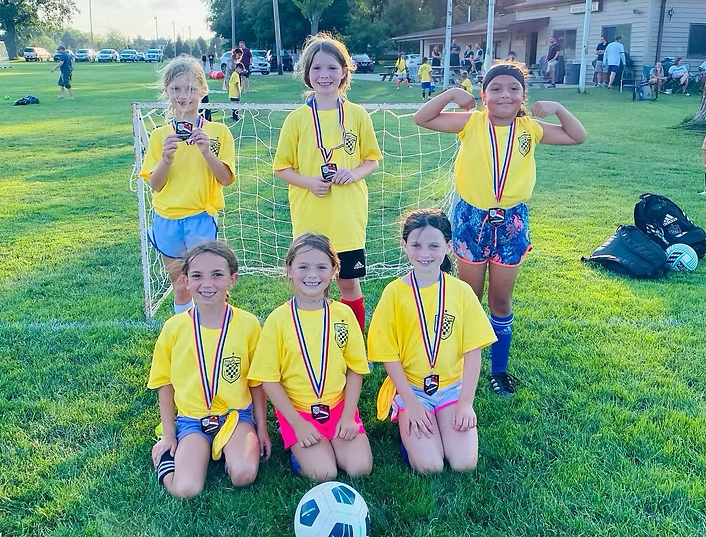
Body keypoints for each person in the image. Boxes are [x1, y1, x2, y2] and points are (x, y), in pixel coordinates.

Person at [413, 61, 587, 398]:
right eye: (495, 88)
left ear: (524, 96)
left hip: (511, 222)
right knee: (469, 298)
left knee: (501, 300)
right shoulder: (472, 123)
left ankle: (499, 370)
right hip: (471, 220)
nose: (504, 94)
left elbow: (577, 136)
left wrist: (558, 108)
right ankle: (462, 366)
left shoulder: (530, 128)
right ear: (483, 95)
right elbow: (423, 118)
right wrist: (451, 93)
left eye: (513, 88)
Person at [367, 210, 496, 474]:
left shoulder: (461, 292)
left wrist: (465, 404)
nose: (424, 252)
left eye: (433, 245)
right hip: (412, 389)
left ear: (448, 247)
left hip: (451, 389)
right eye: (416, 245)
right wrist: (411, 404)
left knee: (464, 464)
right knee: (430, 467)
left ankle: (437, 423)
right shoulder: (394, 293)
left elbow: (473, 353)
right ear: (404, 246)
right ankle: (407, 424)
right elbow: (388, 356)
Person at [273, 34, 382, 332]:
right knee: (313, 285)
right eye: (317, 68)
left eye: (332, 68)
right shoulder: (296, 119)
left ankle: (353, 347)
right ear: (307, 73)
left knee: (348, 283)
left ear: (345, 71)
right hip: (310, 217)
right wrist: (308, 182)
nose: (325, 75)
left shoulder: (358, 115)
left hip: (347, 217)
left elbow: (371, 159)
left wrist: (354, 173)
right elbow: (281, 167)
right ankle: (315, 341)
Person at [148, 241, 270, 497]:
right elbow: (164, 383)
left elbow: (256, 383)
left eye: (217, 275)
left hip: (236, 416)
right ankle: (173, 460)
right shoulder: (174, 328)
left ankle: (230, 452)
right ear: (185, 281)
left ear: (232, 279)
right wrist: (169, 435)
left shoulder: (248, 325)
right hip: (192, 419)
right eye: (197, 276)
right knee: (187, 489)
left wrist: (261, 429)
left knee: (244, 475)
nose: (207, 284)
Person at [249, 233, 372, 481]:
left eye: (321, 267)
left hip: (338, 408)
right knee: (324, 473)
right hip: (299, 412)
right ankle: (301, 452)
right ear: (289, 270)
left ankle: (329, 444)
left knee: (360, 468)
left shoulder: (343, 315)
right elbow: (268, 380)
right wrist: (297, 423)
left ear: (334, 271)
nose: (312, 275)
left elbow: (355, 369)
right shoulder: (278, 320)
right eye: (303, 267)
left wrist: (348, 416)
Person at [140, 57, 235, 313]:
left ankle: (216, 329)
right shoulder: (160, 136)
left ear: (203, 91)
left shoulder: (218, 132)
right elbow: (156, 185)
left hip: (200, 218)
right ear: (167, 92)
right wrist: (166, 159)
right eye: (176, 89)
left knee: (210, 282)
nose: (184, 96)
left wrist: (207, 152)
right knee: (181, 284)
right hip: (167, 219)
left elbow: (225, 180)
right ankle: (186, 333)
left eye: (191, 89)